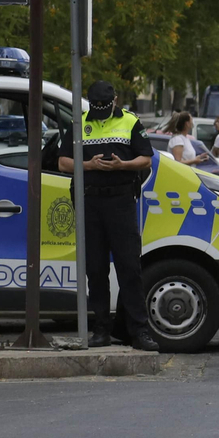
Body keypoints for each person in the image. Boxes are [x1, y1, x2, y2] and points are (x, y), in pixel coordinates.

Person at [58, 81, 159, 351]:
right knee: (96, 268)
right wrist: (88, 164)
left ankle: (138, 330)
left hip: (121, 200)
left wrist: (122, 165)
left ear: (115, 99)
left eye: (104, 105)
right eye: (96, 106)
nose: (100, 110)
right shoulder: (79, 123)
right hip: (90, 201)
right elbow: (62, 161)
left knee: (129, 267)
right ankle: (101, 330)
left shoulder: (129, 121)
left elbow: (146, 159)